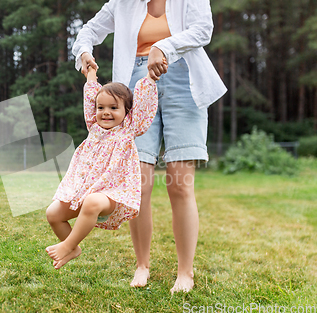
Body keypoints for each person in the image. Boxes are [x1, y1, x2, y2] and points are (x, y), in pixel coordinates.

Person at [72, 0, 227, 293]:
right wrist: (84, 52)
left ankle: (185, 272)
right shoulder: (122, 3)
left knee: (180, 184)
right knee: (138, 184)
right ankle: (142, 265)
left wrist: (164, 47)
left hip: (183, 78)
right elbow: (89, 31)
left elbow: (203, 30)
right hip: (134, 84)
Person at [45, 65, 158, 270]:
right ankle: (73, 248)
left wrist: (150, 79)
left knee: (92, 202)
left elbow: (144, 105)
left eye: (113, 108)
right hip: (84, 192)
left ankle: (67, 245)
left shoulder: (128, 129)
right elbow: (90, 98)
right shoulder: (93, 128)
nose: (106, 113)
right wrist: (90, 74)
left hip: (112, 194)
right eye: (101, 108)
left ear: (127, 111)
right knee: (53, 213)